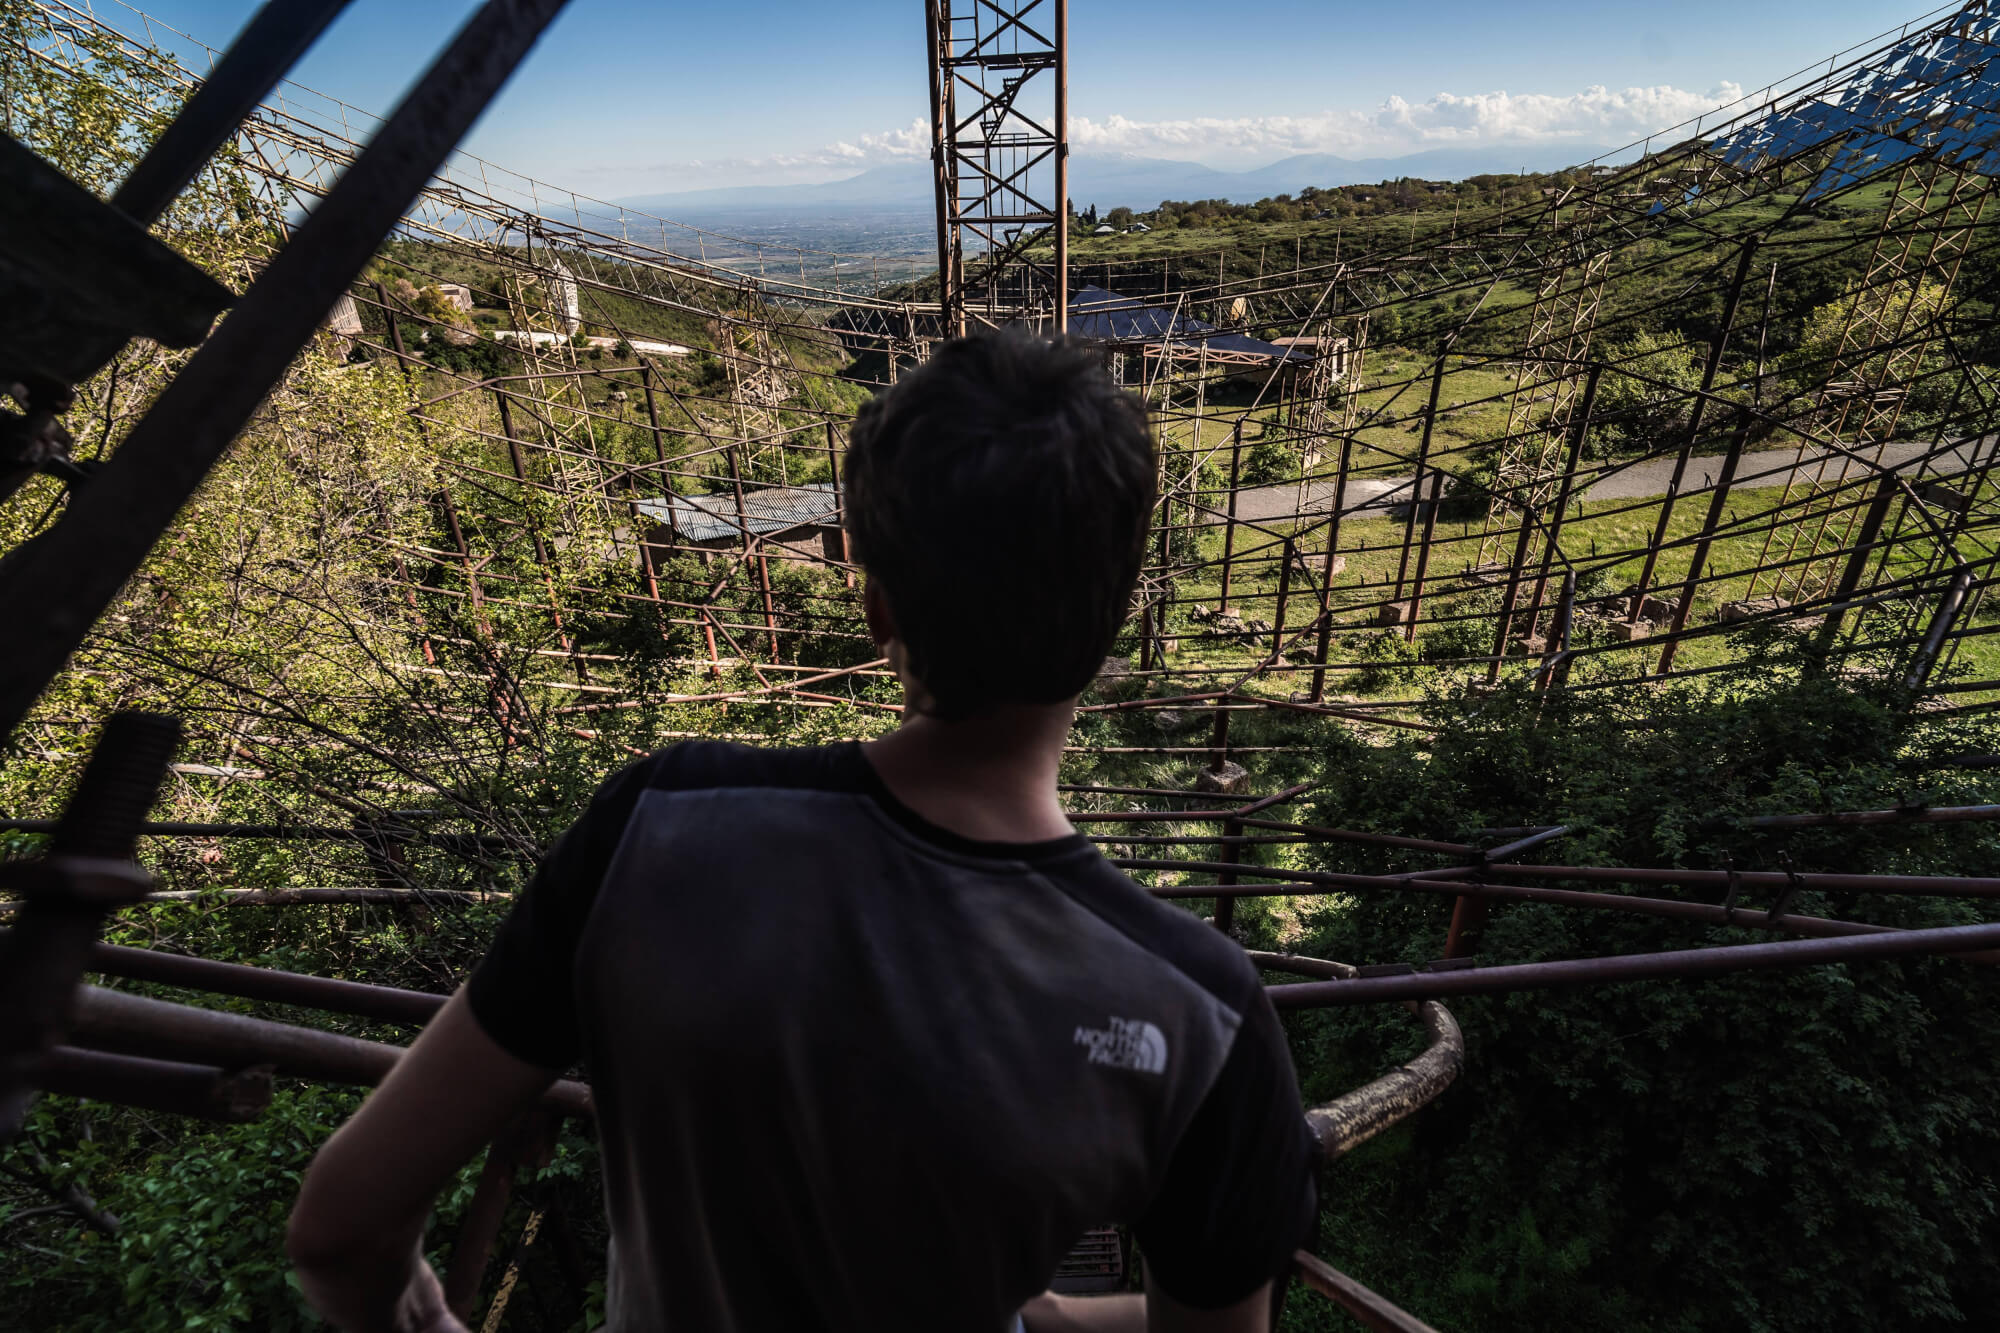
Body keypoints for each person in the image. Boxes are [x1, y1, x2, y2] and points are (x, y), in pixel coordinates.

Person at [287, 329, 1318, 1332]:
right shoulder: (1197, 1008)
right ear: (1115, 613)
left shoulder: (655, 829)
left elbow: (341, 1229)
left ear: (877, 608)